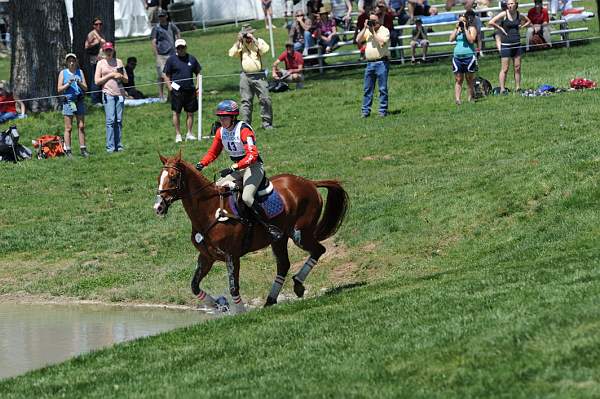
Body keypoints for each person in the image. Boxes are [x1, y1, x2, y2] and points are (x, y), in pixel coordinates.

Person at [195, 100, 283, 240]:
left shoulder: (244, 130)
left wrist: (234, 167)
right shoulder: (220, 132)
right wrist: (201, 164)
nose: (222, 120)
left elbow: (252, 156)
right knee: (216, 189)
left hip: (253, 167)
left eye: (225, 117)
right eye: (220, 117)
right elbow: (213, 153)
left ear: (233, 117)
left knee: (247, 197)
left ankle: (269, 226)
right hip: (237, 168)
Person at [228, 24, 273, 129]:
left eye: (250, 34)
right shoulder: (241, 44)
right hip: (245, 76)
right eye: (246, 35)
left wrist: (253, 39)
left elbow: (265, 50)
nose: (247, 37)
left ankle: (267, 123)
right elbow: (231, 53)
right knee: (246, 101)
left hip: (259, 75)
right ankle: (246, 125)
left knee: (265, 99)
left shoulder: (258, 41)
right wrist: (238, 40)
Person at [163, 39, 202, 143]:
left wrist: (198, 85)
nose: (180, 49)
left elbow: (198, 72)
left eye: (182, 47)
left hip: (190, 90)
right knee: (176, 113)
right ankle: (178, 135)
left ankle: (189, 133)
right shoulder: (171, 60)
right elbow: (166, 75)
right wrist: (170, 87)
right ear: (176, 49)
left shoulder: (192, 59)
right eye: (178, 48)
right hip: (176, 91)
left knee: (190, 113)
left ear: (186, 47)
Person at [489, 0, 531, 93]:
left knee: (517, 67)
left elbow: (528, 21)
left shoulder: (519, 14)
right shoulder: (504, 14)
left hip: (517, 44)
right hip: (506, 45)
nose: (510, 5)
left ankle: (518, 87)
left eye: (512, 3)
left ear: (516, 4)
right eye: (508, 4)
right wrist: (500, 28)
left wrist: (522, 26)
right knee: (505, 68)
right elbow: (491, 22)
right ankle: (502, 89)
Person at [95, 42, 128, 153]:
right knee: (110, 120)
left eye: (110, 50)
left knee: (118, 120)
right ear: (104, 51)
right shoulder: (100, 63)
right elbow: (97, 81)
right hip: (107, 94)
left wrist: (121, 76)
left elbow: (126, 80)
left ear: (113, 50)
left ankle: (119, 145)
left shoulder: (119, 62)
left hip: (119, 94)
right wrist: (111, 75)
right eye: (106, 50)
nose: (109, 52)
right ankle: (110, 147)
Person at [357, 11, 390, 117]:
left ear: (379, 20)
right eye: (370, 21)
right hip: (370, 64)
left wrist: (373, 31)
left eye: (374, 21)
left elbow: (382, 42)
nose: (372, 23)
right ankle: (365, 111)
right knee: (367, 89)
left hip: (382, 62)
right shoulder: (367, 30)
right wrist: (364, 27)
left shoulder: (384, 30)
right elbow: (358, 39)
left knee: (382, 89)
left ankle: (382, 111)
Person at [57, 53, 89, 157]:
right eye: (69, 61)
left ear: (76, 61)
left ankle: (83, 149)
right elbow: (59, 89)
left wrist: (79, 82)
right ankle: (68, 150)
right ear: (66, 62)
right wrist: (68, 84)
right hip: (68, 101)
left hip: (79, 100)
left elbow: (85, 88)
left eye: (73, 61)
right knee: (68, 127)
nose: (71, 63)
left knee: (81, 126)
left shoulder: (80, 72)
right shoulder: (63, 73)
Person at [151, 9, 180, 101]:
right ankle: (161, 95)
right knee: (162, 76)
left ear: (166, 16)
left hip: (172, 54)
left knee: (173, 75)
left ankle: (172, 94)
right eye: (160, 16)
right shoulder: (156, 28)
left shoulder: (171, 25)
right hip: (161, 55)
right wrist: (157, 55)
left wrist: (178, 44)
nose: (161, 18)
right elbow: (153, 41)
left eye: (162, 16)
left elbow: (178, 33)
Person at [450, 12, 478, 104]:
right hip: (457, 57)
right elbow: (451, 39)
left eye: (464, 21)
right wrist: (456, 29)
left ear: (467, 21)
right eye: (460, 21)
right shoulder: (457, 29)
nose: (462, 22)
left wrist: (465, 29)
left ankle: (470, 98)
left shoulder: (471, 28)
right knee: (458, 79)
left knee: (469, 78)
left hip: (469, 57)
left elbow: (471, 40)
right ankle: (458, 99)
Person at [84, 17, 106, 104]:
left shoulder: (101, 34)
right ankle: (95, 100)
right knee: (95, 80)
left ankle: (100, 98)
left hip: (102, 59)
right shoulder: (92, 34)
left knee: (101, 79)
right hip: (95, 60)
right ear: (93, 26)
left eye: (100, 24)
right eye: (96, 24)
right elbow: (86, 46)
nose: (99, 26)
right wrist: (95, 43)